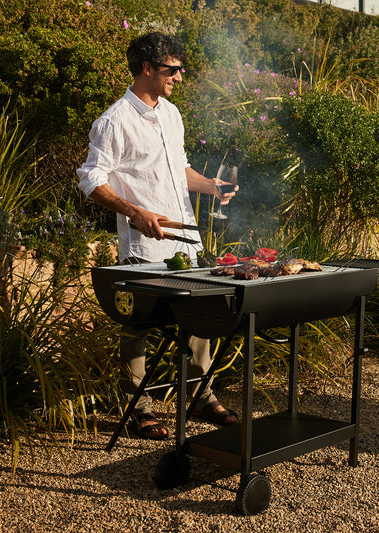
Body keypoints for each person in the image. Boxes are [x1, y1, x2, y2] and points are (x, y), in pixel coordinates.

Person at [77, 31, 238, 440]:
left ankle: (199, 396)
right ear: (147, 68)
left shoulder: (171, 114)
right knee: (139, 327)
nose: (179, 77)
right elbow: (90, 178)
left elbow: (180, 170)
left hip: (185, 242)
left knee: (199, 319)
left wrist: (211, 186)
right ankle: (138, 410)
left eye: (181, 69)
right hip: (144, 247)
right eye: (173, 70)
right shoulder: (114, 121)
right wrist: (134, 212)